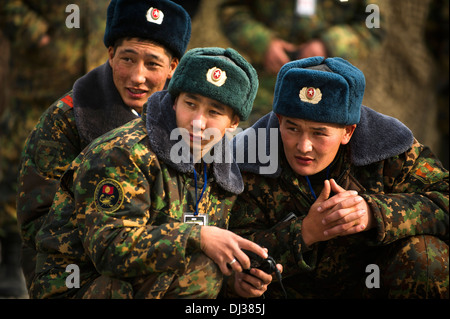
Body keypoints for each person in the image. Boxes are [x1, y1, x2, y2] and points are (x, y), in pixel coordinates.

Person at [31, 47, 280, 299]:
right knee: (201, 272)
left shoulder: (220, 168)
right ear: (174, 103)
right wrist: (198, 237)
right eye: (190, 104)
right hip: (74, 284)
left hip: (135, 282)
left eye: (214, 112)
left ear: (234, 122)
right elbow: (108, 249)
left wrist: (234, 281)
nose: (198, 121)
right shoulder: (124, 152)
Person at [230, 56, 449, 298]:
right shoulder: (246, 160)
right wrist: (305, 233)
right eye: (292, 129)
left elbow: (444, 198)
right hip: (288, 291)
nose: (303, 147)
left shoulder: (390, 151)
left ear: (348, 131)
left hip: (370, 288)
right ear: (279, 120)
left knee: (425, 254)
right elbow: (228, 245)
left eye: (319, 133)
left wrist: (374, 213)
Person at [16, 0, 191, 292]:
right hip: (71, 269)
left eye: (153, 64)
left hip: (152, 257)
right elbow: (38, 221)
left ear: (173, 67)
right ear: (110, 55)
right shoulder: (68, 119)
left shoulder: (186, 120)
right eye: (127, 59)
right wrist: (127, 243)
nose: (138, 77)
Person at [0, 0, 109, 298]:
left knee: (85, 169)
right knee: (17, 167)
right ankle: (10, 255)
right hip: (44, 72)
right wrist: (33, 32)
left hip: (98, 68)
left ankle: (74, 261)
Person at [218, 0, 384, 124]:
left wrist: (328, 44)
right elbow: (232, 8)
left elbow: (374, 21)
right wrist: (263, 43)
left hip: (330, 87)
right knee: (253, 149)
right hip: (267, 86)